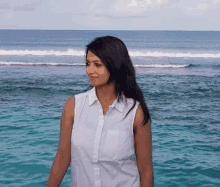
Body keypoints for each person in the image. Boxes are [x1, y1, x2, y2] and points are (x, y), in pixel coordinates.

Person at [47, 36, 153, 187]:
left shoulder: (135, 112)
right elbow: (63, 156)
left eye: (97, 65)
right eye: (88, 64)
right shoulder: (73, 106)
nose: (89, 71)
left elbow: (145, 168)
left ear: (115, 65)